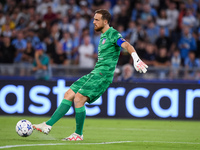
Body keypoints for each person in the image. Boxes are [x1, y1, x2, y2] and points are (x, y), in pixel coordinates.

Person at [32, 9, 148, 141]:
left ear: (105, 21)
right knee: (69, 94)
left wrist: (136, 58)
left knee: (79, 98)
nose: (93, 22)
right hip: (95, 72)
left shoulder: (112, 33)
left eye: (97, 20)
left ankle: (78, 134)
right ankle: (47, 125)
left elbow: (126, 44)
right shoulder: (103, 36)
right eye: (94, 19)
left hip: (103, 75)